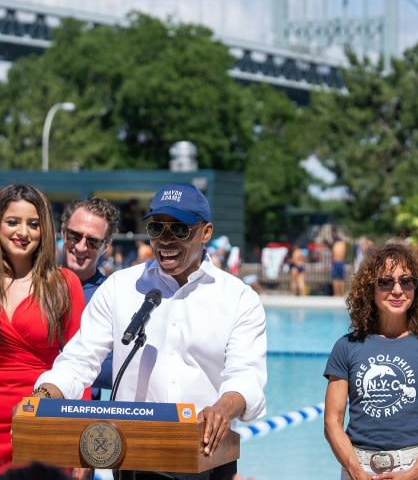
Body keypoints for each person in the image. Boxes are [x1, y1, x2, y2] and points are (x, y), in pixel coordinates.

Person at [34, 183, 267, 480]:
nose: (165, 240)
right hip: (134, 460)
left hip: (206, 460)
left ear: (205, 233)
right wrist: (46, 392)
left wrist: (223, 407)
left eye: (179, 230)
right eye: (157, 228)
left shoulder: (238, 298)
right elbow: (80, 359)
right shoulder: (120, 287)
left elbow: (247, 377)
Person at [0, 184, 87, 480]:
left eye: (33, 224)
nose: (23, 232)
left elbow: (81, 370)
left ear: (44, 230)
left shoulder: (65, 285)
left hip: (46, 421)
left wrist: (80, 448)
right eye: (13, 222)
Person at [324, 241, 418, 479]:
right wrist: (355, 470)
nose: (397, 290)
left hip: (416, 467)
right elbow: (333, 421)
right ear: (370, 289)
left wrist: (415, 472)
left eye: (406, 281)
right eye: (385, 282)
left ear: (417, 288)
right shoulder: (346, 347)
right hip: (357, 467)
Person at [61, 196, 120, 398]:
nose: (81, 247)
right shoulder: (31, 286)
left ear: (106, 246)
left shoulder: (113, 295)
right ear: (63, 233)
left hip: (88, 414)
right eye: (74, 236)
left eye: (93, 242)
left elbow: (120, 369)